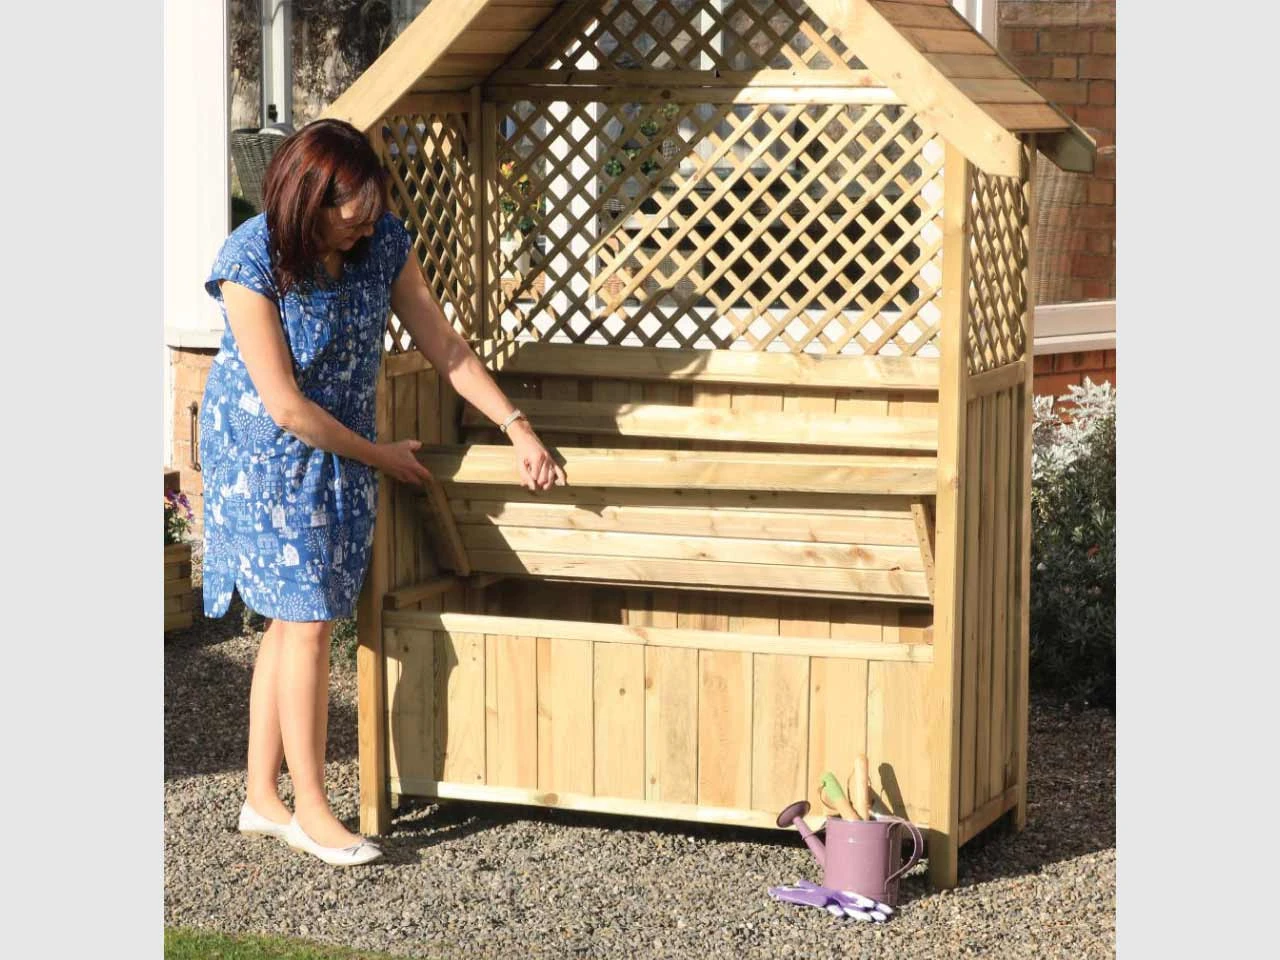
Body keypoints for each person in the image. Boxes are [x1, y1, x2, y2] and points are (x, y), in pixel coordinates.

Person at [198, 118, 566, 866]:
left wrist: (517, 427)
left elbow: (446, 345)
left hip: (345, 445)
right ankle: (312, 813)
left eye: (372, 206)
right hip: (267, 452)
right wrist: (380, 456)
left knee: (289, 616)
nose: (364, 222)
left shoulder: (382, 244)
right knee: (304, 619)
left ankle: (262, 801)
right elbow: (286, 408)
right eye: (349, 210)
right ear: (307, 200)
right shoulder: (251, 260)